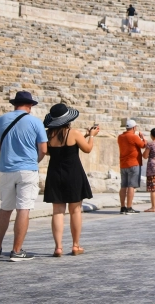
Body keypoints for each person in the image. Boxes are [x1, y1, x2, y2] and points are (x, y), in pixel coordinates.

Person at [0, 91, 47, 261]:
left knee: (5, 208)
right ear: (29, 105)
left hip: (6, 169)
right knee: (23, 208)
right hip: (27, 169)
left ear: (15, 104)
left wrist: (10, 155)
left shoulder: (0, 120)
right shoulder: (35, 122)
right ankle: (16, 250)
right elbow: (43, 149)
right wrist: (33, 161)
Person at [43, 104, 97, 257]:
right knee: (75, 210)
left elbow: (48, 152)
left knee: (57, 211)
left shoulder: (48, 135)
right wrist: (91, 136)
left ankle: (58, 247)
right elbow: (87, 149)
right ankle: (75, 245)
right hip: (73, 174)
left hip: (55, 173)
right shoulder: (73, 133)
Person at [117, 120, 146, 215]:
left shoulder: (120, 137)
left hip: (123, 164)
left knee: (123, 186)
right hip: (133, 163)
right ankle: (129, 207)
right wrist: (142, 137)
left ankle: (123, 207)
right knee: (131, 186)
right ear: (134, 127)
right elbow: (143, 145)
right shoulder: (134, 137)